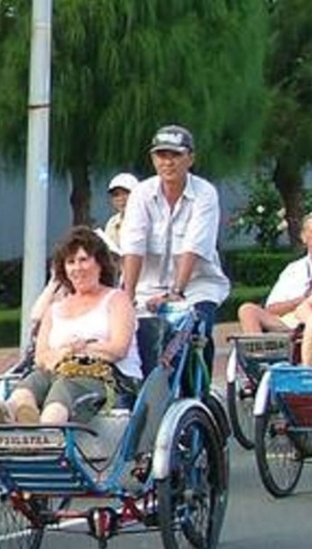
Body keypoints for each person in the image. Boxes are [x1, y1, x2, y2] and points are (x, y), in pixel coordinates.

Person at [0, 227, 141, 425]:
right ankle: (16, 412)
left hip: (108, 378)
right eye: (70, 262)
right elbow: (41, 358)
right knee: (32, 382)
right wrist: (67, 351)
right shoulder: (55, 309)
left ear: (99, 263)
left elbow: (118, 348)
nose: (77, 268)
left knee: (63, 387)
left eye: (83, 260)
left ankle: (45, 432)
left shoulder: (117, 299)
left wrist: (78, 349)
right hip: (58, 369)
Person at [120, 125, 230, 374]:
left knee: (195, 330)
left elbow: (193, 246)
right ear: (153, 159)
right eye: (161, 155)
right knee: (127, 335)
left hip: (196, 285)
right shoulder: (141, 193)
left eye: (175, 155)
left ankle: (198, 393)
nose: (168, 163)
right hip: (147, 287)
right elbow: (133, 246)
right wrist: (128, 295)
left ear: (190, 158)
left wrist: (176, 292)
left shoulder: (205, 193)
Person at [238, 212, 312, 363]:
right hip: (288, 324)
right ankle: (260, 363)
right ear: (304, 237)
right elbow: (271, 308)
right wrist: (299, 301)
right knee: (247, 310)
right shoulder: (294, 269)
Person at [100, 172, 139, 254]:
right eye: (116, 195)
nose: (121, 199)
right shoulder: (112, 223)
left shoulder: (148, 219)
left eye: (126, 193)